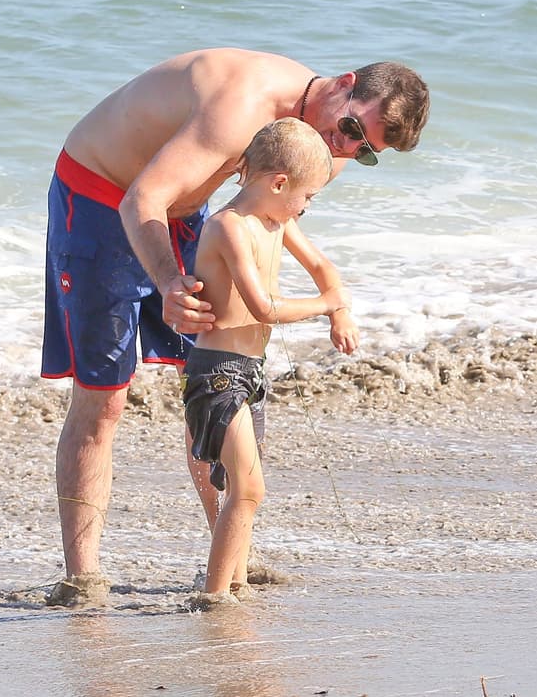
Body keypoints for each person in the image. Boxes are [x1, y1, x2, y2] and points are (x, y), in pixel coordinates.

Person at [41, 48, 429, 605]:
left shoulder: (327, 139)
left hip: (182, 211)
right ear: (344, 85)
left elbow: (267, 218)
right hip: (104, 195)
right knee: (104, 398)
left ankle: (228, 553)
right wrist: (172, 283)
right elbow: (143, 197)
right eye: (348, 130)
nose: (343, 151)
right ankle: (83, 577)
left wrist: (327, 295)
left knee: (208, 378)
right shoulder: (243, 104)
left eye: (364, 152)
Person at [183, 118, 350, 604]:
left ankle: (234, 582)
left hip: (251, 373)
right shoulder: (229, 227)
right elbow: (263, 307)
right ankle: (213, 596)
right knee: (249, 488)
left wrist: (339, 310)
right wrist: (323, 305)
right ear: (279, 183)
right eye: (308, 196)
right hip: (216, 373)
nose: (306, 206)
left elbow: (323, 268)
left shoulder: (278, 222)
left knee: (244, 487)